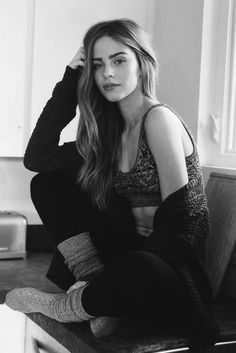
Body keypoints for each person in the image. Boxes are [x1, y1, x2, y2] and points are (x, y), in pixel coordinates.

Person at [5, 18, 219, 349]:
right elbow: (37, 158)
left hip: (169, 270)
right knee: (46, 184)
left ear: (141, 62)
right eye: (97, 64)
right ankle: (99, 288)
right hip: (125, 260)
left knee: (139, 265)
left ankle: (73, 306)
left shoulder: (158, 119)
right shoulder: (110, 134)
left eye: (119, 60)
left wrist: (120, 279)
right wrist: (69, 83)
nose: (107, 73)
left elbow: (186, 223)